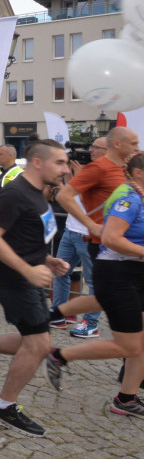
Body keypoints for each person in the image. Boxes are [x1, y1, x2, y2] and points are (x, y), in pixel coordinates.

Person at [0, 139, 70, 438]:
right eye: (60, 162)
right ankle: (2, 407)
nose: (65, 169)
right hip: (11, 278)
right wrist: (28, 269)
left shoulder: (38, 193)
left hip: (28, 275)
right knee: (37, 344)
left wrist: (47, 260)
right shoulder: (15, 193)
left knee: (36, 342)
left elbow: (23, 237)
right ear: (37, 162)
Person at [43, 151, 144, 417]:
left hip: (137, 273)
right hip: (118, 273)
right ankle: (60, 355)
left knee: (141, 342)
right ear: (138, 173)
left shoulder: (140, 196)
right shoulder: (128, 198)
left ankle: (126, 398)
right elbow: (111, 238)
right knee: (129, 345)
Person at [52, 127, 139, 337]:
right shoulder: (99, 168)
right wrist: (90, 224)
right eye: (133, 143)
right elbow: (64, 196)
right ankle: (66, 319)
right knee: (102, 293)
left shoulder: (128, 169)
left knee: (111, 295)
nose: (137, 148)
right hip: (102, 243)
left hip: (125, 243)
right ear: (117, 144)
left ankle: (55, 315)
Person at [49, 137, 105, 330]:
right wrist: (70, 175)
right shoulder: (84, 170)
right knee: (60, 272)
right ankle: (59, 314)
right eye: (91, 147)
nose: (91, 151)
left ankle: (91, 322)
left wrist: (79, 177)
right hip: (70, 230)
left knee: (92, 281)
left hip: (88, 234)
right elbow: (71, 195)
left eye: (96, 147)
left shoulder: (104, 172)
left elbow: (89, 200)